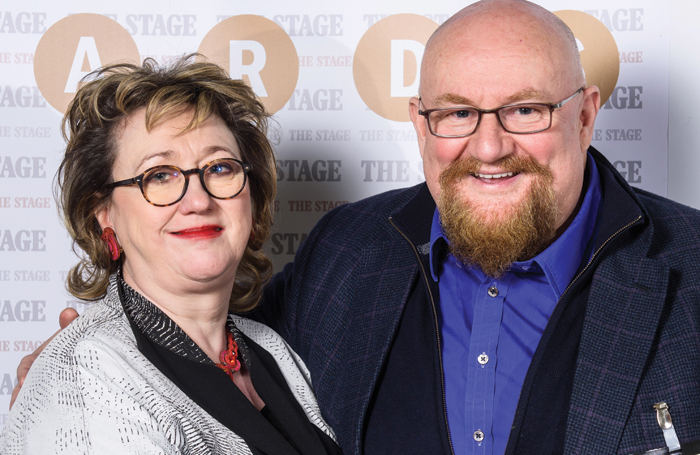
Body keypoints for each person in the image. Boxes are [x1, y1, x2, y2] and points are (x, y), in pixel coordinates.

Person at [12, 1, 700, 454]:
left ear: (584, 115)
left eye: (525, 110)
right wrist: (84, 351)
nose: (489, 146)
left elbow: (207, 326)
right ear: (420, 123)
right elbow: (155, 330)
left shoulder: (691, 271)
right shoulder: (350, 250)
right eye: (457, 113)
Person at [1, 56, 341, 455]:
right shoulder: (83, 376)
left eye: (219, 167)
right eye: (159, 175)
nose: (198, 200)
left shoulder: (269, 348)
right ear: (104, 213)